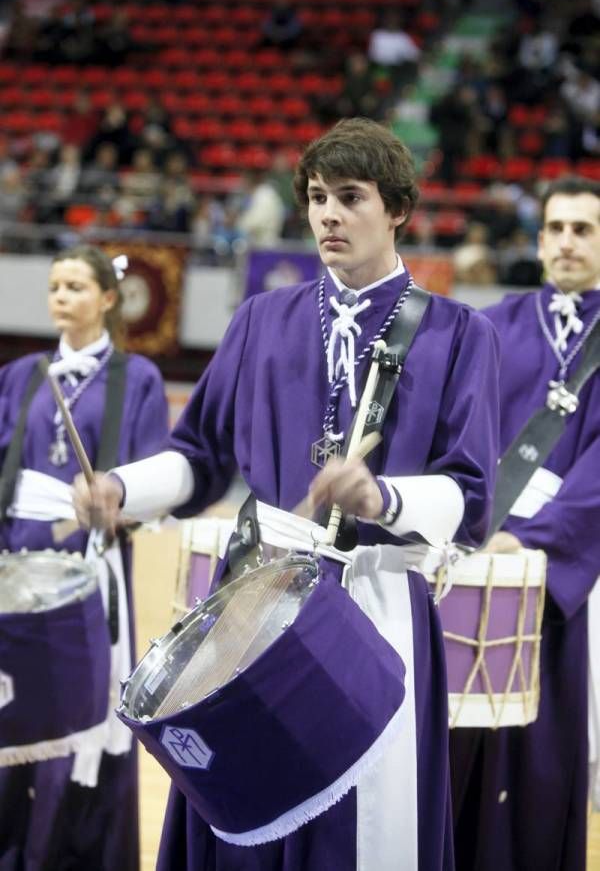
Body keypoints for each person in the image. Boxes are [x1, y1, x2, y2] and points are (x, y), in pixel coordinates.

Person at [73, 118, 500, 871]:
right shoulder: (260, 319)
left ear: (397, 208)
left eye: (350, 197)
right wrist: (120, 487)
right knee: (248, 814)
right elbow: (198, 457)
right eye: (316, 198)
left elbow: (471, 495)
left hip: (377, 606)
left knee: (367, 828)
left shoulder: (459, 333)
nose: (328, 214)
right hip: (254, 599)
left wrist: (381, 499)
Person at [0, 244, 170, 870]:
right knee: (13, 706)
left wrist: (107, 506)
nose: (61, 297)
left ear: (106, 298)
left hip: (89, 564)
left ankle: (65, 852)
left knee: (75, 712)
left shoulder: (139, 377)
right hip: (15, 563)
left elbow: (154, 476)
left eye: (75, 286)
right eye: (54, 286)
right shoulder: (21, 375)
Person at [450, 176, 600, 871]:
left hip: (560, 576)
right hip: (477, 565)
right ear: (539, 241)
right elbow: (457, 436)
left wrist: (537, 537)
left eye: (585, 229)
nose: (568, 241)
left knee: (542, 757)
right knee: (459, 750)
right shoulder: (493, 326)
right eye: (558, 228)